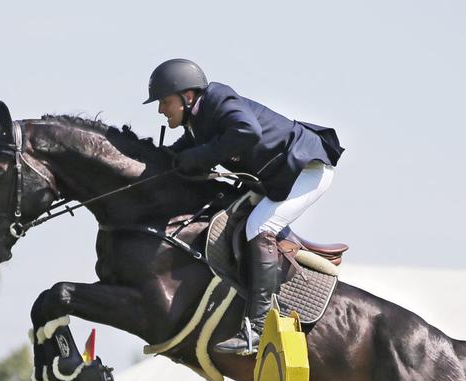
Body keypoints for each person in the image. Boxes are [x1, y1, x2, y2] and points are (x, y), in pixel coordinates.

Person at [144, 58, 345, 356]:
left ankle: (258, 325)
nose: (161, 109)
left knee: (259, 227)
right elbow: (186, 150)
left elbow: (247, 131)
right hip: (281, 175)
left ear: (187, 97)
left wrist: (201, 156)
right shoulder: (198, 121)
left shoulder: (218, 99)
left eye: (164, 101)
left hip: (306, 170)